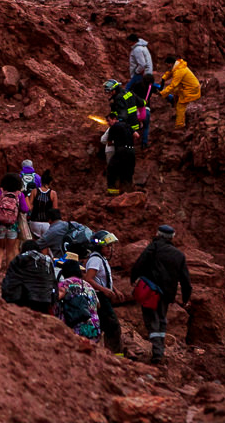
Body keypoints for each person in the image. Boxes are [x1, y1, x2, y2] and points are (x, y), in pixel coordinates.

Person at [130, 225, 192, 364]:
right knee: (162, 319)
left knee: (152, 320)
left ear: (158, 234)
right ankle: (160, 349)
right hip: (166, 294)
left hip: (150, 291)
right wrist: (186, 298)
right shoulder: (179, 255)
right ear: (172, 237)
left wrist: (133, 278)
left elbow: (140, 262)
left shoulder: (154, 247)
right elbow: (185, 280)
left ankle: (157, 352)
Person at [83, 230, 124, 354]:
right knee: (113, 326)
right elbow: (88, 279)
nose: (110, 249)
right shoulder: (95, 260)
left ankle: (106, 352)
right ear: (99, 246)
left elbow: (103, 278)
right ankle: (115, 354)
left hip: (103, 296)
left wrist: (114, 289)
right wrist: (104, 290)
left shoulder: (102, 259)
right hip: (99, 296)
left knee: (106, 325)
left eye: (111, 246)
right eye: (107, 246)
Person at [1, 240, 57, 314]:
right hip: (45, 301)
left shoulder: (20, 259)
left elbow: (10, 281)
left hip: (26, 301)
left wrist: (8, 300)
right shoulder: (48, 261)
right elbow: (54, 283)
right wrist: (53, 300)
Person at [57, 259, 101, 341]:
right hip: (93, 328)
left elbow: (55, 298)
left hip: (73, 329)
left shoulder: (64, 284)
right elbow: (98, 305)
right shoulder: (88, 286)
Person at [126, 34, 155, 146]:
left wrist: (136, 72)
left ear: (132, 41)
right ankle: (144, 142)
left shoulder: (137, 49)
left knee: (128, 90)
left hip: (140, 74)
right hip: (146, 75)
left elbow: (142, 64)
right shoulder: (143, 47)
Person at [159, 56, 200, 129]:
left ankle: (180, 125)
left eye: (167, 64)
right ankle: (175, 107)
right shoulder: (178, 66)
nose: (166, 66)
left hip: (191, 89)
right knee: (176, 91)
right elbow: (170, 72)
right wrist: (163, 79)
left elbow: (173, 85)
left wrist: (162, 93)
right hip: (187, 86)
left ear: (170, 63)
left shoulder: (179, 71)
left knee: (180, 106)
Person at [103, 112, 135, 195]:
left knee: (111, 169)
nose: (108, 123)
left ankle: (112, 192)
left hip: (122, 151)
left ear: (114, 119)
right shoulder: (127, 125)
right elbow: (137, 135)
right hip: (131, 151)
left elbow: (109, 143)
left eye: (108, 120)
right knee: (127, 171)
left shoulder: (113, 127)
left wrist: (118, 143)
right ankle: (128, 191)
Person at [28, 172, 57, 238]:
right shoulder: (53, 193)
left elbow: (30, 207)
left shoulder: (34, 191)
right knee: (46, 242)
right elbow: (55, 210)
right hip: (47, 223)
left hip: (34, 222)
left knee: (35, 241)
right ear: (50, 182)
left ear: (41, 181)